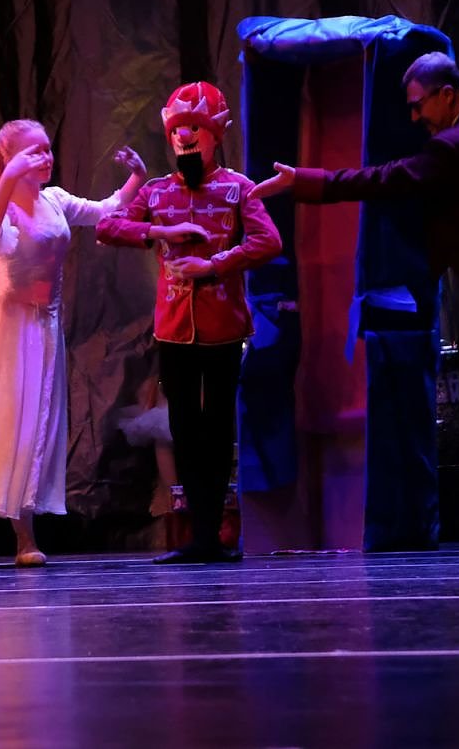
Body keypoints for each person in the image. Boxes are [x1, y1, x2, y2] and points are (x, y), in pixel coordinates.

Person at [250, 52, 459, 553]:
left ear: (447, 95)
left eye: (419, 105)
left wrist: (306, 181)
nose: (414, 117)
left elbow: (387, 179)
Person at [0, 119, 148, 565]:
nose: (46, 157)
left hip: (45, 329)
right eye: (34, 152)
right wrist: (7, 177)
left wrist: (136, 177)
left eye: (47, 149)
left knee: (35, 429)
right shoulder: (0, 210)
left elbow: (106, 209)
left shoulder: (54, 200)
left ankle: (23, 534)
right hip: (10, 328)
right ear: (10, 159)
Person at [97, 81, 283, 563]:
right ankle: (199, 535)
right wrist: (162, 229)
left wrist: (214, 265)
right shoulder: (157, 191)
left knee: (217, 432)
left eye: (195, 129)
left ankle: (211, 537)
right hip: (175, 330)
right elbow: (107, 226)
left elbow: (269, 241)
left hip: (224, 329)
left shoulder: (238, 187)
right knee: (184, 429)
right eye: (178, 129)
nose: (185, 138)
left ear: (216, 134)